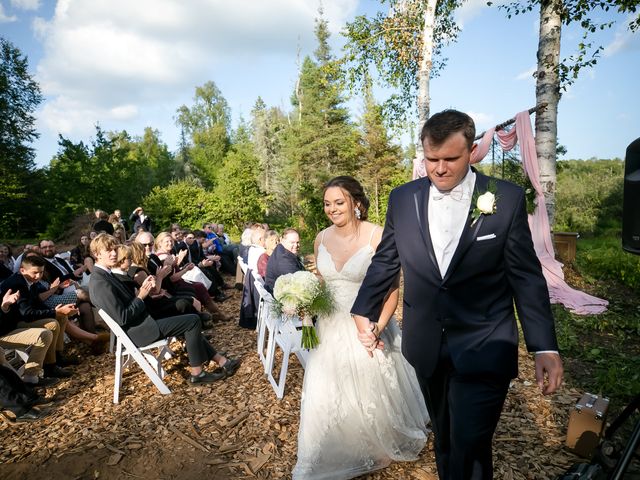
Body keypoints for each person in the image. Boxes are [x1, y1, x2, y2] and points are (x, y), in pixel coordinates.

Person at [351, 110, 563, 480]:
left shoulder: (505, 199)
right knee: (447, 440)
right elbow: (386, 259)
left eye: (451, 159)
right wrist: (363, 309)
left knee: (469, 439)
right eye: (432, 159)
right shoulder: (403, 199)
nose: (440, 168)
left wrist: (544, 346)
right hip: (426, 344)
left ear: (472, 152)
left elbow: (526, 277)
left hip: (485, 343)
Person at [292, 176, 429, 480]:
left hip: (367, 322)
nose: (332, 209)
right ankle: (335, 442)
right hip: (329, 327)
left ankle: (377, 439)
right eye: (327, 204)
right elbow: (323, 285)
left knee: (370, 385)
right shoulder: (320, 238)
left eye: (338, 202)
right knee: (327, 390)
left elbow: (393, 289)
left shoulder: (377, 236)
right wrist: (303, 302)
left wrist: (378, 327)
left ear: (357, 203)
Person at [88, 234, 240, 384]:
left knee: (187, 316)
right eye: (108, 250)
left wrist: (143, 293)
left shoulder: (105, 275)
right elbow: (122, 317)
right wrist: (141, 295)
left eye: (114, 249)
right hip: (140, 330)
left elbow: (127, 303)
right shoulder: (100, 282)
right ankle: (197, 373)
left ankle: (222, 361)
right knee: (192, 321)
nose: (114, 253)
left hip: (144, 321)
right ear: (96, 254)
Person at [265, 228, 305, 293]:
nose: (296, 245)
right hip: (279, 298)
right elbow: (301, 282)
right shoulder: (284, 259)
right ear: (282, 240)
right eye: (292, 242)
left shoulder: (280, 249)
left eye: (297, 242)